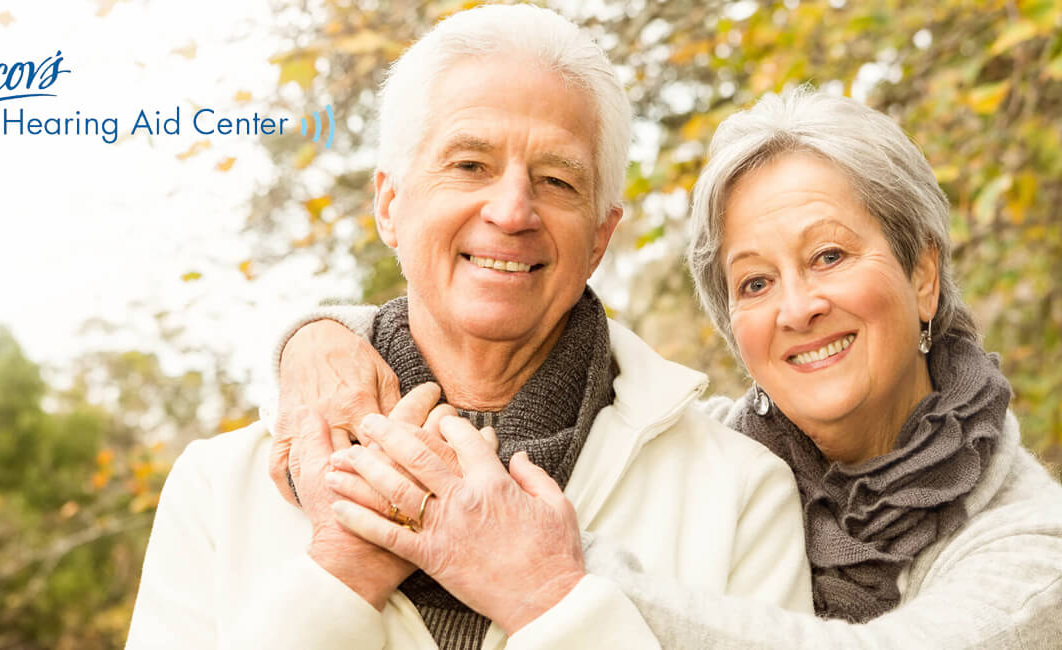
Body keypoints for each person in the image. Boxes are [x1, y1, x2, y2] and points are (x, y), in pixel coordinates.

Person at [126, 5, 812, 650]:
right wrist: (338, 577)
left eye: (557, 179)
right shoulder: (220, 485)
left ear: (600, 239)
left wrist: (548, 600)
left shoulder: (738, 493)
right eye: (469, 165)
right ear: (390, 206)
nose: (513, 209)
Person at [275, 87, 1062, 647]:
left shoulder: (1033, 550)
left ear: (922, 275)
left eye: (828, 256)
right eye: (754, 282)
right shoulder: (711, 456)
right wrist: (322, 337)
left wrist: (552, 581)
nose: (797, 308)